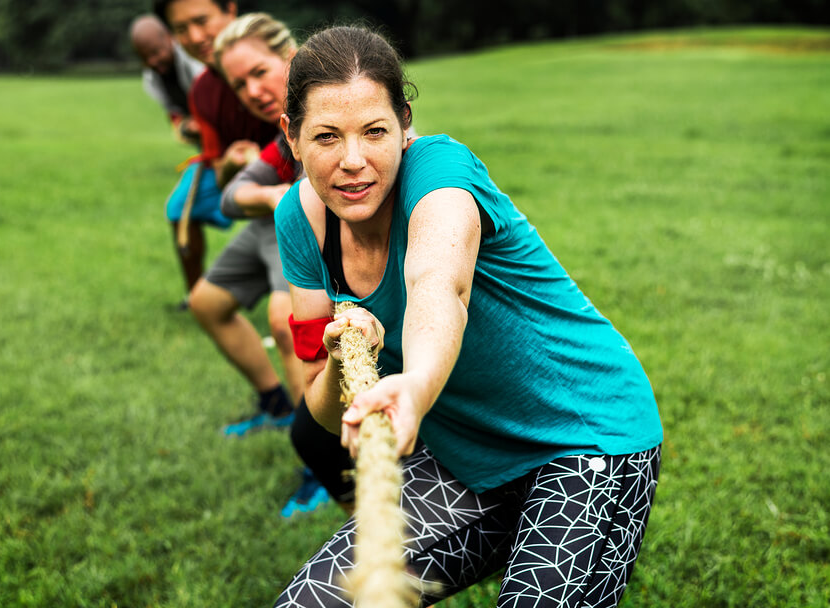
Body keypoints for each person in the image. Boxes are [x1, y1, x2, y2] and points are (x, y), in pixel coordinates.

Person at [272, 25, 664, 607]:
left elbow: (440, 285)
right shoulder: (301, 223)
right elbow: (324, 413)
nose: (353, 162)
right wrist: (337, 360)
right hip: (466, 459)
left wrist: (416, 387)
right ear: (293, 136)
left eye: (374, 132)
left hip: (587, 440)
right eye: (327, 136)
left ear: (405, 126)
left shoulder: (440, 173)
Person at [196, 13, 353, 517]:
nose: (251, 90)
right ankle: (277, 406)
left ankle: (321, 457)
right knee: (206, 302)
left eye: (259, 72)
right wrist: (267, 192)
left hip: (319, 225)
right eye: (239, 83)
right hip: (278, 217)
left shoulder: (333, 104)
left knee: (286, 326)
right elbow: (229, 198)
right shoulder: (281, 132)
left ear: (289, 56)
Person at [154, 0, 276, 308]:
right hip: (250, 175)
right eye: (181, 29)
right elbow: (219, 166)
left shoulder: (278, 58)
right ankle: (195, 294)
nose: (195, 37)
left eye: (202, 20)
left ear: (230, 10)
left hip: (303, 178)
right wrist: (234, 165)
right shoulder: (202, 91)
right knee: (179, 207)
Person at [129, 14, 204, 147]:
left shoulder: (195, 60)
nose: (152, 61)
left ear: (169, 38)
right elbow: (175, 117)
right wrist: (186, 127)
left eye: (155, 52)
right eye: (144, 58)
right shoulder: (151, 79)